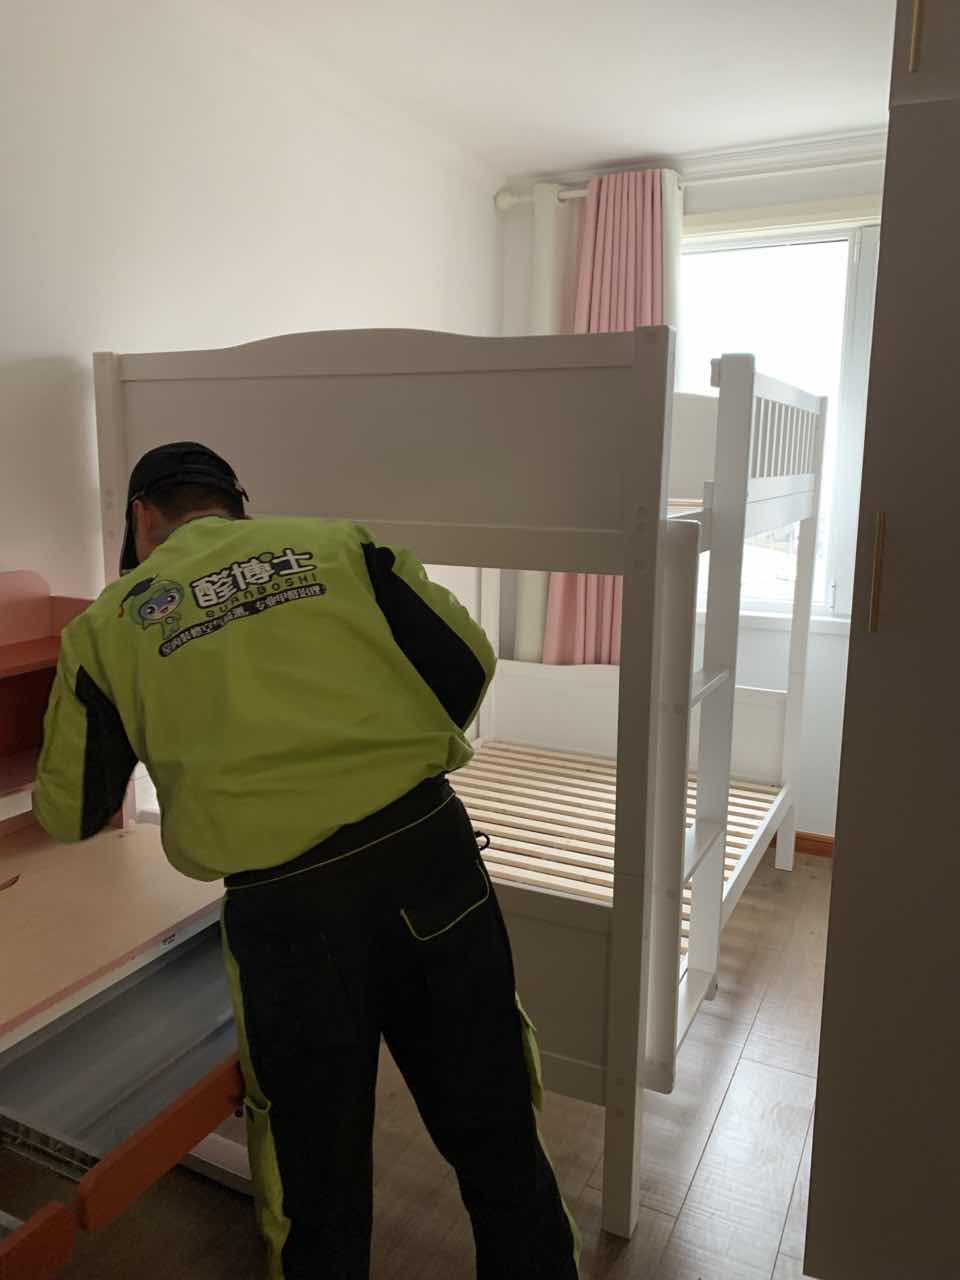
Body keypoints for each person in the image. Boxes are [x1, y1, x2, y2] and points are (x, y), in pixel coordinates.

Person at [33, 442, 581, 1280]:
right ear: (235, 504)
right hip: (426, 858)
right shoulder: (341, 546)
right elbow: (468, 666)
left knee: (316, 1181)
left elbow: (71, 811)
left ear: (141, 516)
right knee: (498, 1133)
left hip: (288, 910)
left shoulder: (105, 628)